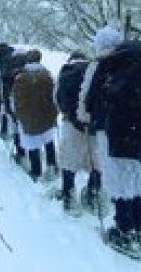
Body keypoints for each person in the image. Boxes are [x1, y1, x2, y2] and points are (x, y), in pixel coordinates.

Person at [78, 25, 141, 258]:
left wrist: (90, 117)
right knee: (137, 177)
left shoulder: (104, 63)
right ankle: (140, 230)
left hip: (114, 130)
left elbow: (88, 100)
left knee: (118, 179)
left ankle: (123, 230)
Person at [53, 51, 102, 215]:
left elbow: (57, 98)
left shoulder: (66, 72)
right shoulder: (98, 72)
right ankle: (92, 193)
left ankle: (68, 195)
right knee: (95, 161)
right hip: (96, 127)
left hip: (72, 125)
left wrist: (68, 113)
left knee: (69, 160)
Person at [11, 58, 59, 182]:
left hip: (29, 117)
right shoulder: (47, 75)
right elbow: (55, 96)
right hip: (46, 116)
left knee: (32, 143)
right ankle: (52, 165)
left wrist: (18, 115)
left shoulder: (20, 78)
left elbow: (16, 101)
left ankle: (36, 172)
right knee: (48, 139)